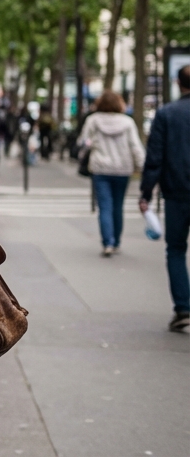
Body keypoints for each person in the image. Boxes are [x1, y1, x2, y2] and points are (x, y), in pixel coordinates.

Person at [138, 64, 190, 332]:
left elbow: (155, 158)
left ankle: (183, 307)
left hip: (178, 191)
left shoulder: (167, 114)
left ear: (177, 83)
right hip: (177, 190)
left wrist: (146, 192)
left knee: (176, 249)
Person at [79, 90, 144, 257]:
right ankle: (116, 242)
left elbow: (83, 142)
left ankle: (107, 242)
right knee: (118, 206)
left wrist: (90, 145)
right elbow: (135, 146)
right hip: (123, 169)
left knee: (105, 207)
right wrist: (142, 167)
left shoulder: (93, 120)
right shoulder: (127, 122)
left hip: (100, 169)